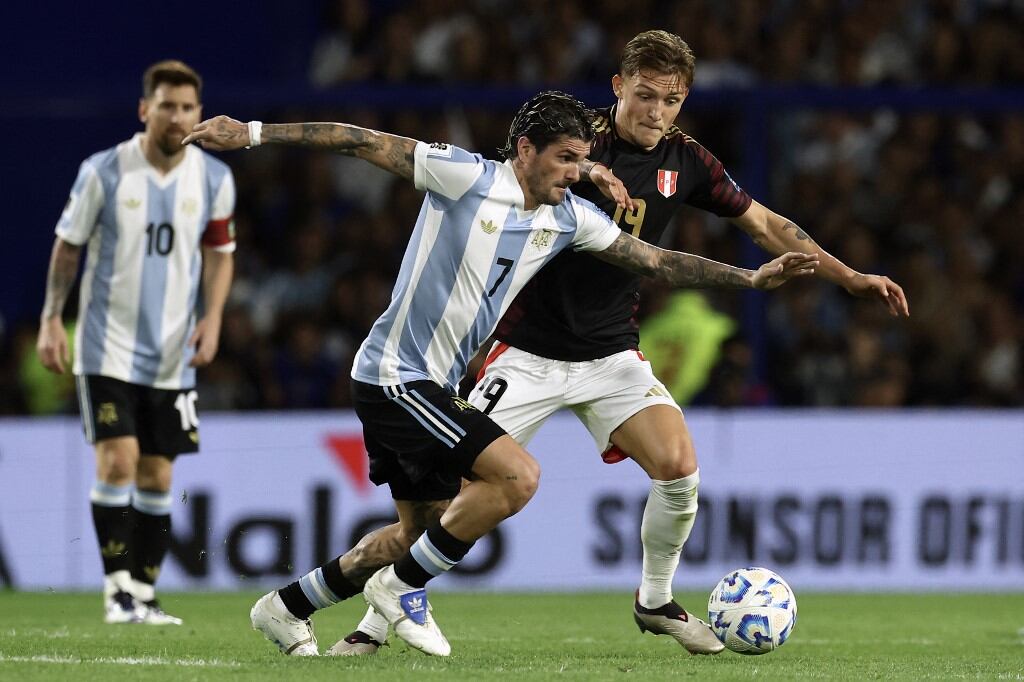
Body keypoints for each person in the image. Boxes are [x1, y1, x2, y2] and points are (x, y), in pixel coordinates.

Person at [333, 30, 910, 657]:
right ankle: (372, 621)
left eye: (671, 100)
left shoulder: (688, 162)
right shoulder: (577, 141)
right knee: (449, 505)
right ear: (618, 87)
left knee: (679, 469)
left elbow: (766, 223)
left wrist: (849, 276)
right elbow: (519, 168)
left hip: (611, 355)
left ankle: (654, 599)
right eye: (645, 95)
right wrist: (589, 169)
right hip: (525, 352)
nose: (656, 112)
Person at [183, 90, 817, 657]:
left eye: (582, 161)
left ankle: (287, 607)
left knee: (421, 531)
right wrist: (254, 133)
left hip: (431, 385)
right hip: (396, 376)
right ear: (525, 150)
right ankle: (399, 590)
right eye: (566, 160)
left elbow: (654, 260)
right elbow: (361, 140)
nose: (577, 174)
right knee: (517, 477)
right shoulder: (464, 176)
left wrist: (750, 278)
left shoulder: (569, 218)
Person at [36, 60, 236, 625]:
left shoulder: (215, 179)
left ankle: (144, 594)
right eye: (167, 106)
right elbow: (68, 246)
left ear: (199, 113)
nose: (178, 117)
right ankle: (117, 591)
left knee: (158, 476)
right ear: (145, 109)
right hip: (107, 346)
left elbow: (220, 253)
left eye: (188, 107)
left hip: (173, 353)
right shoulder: (103, 172)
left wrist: (213, 317)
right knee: (118, 461)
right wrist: (51, 317)